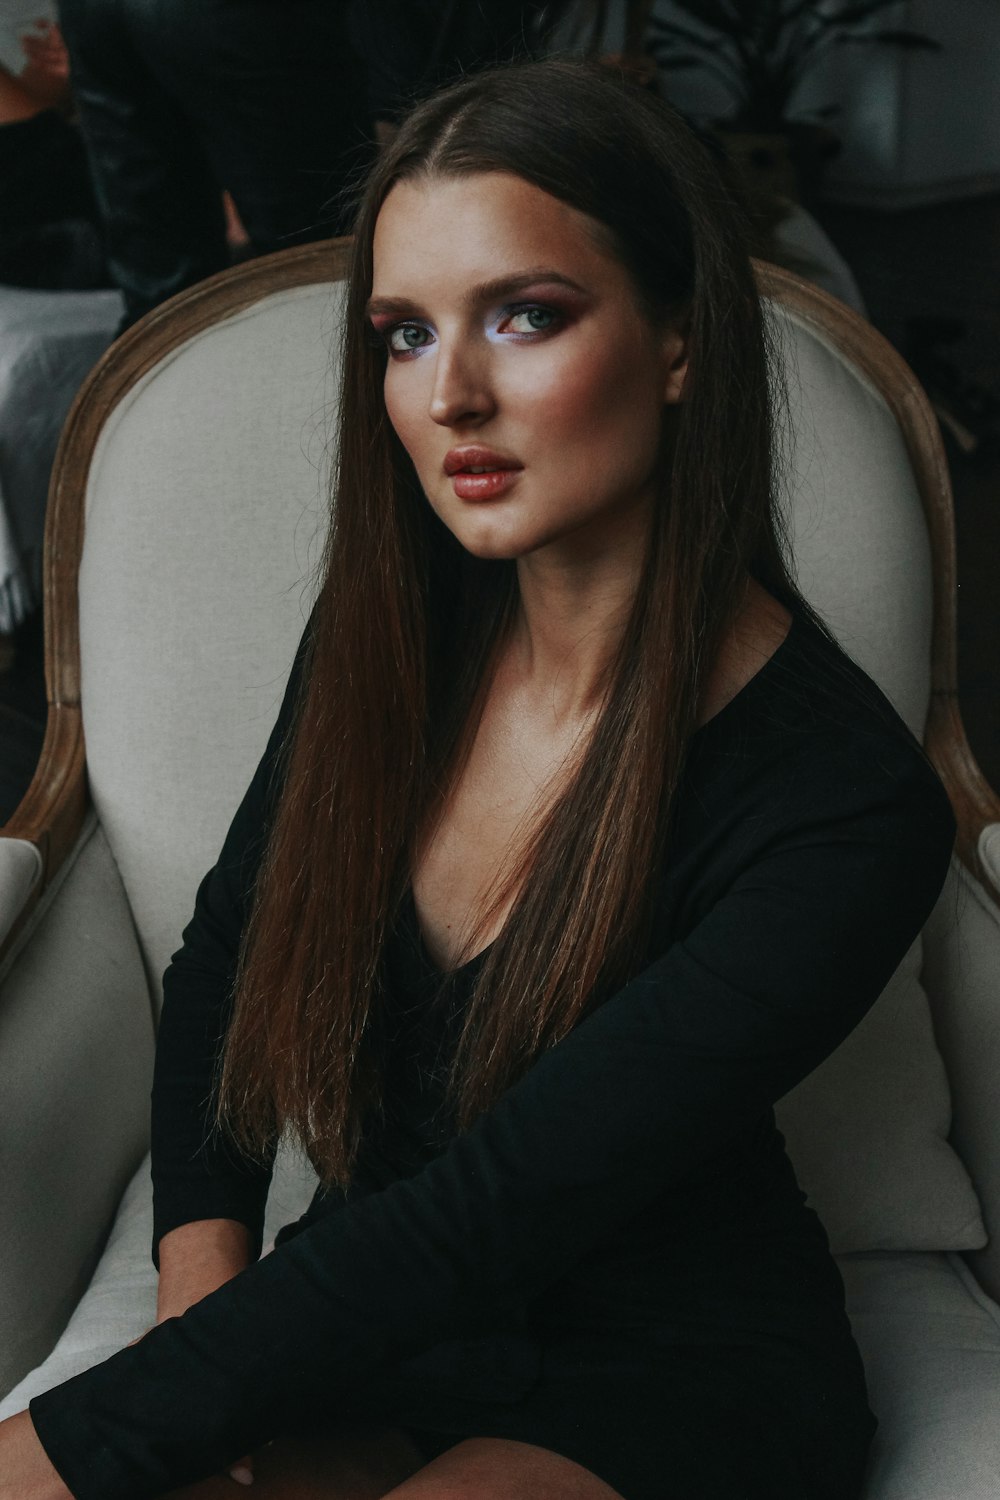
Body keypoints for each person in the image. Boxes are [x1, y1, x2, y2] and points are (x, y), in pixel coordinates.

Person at [0, 58, 955, 1500]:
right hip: (372, 1323)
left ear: (681, 339)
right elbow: (226, 962)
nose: (449, 394)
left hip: (665, 1370)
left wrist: (99, 1433)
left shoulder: (846, 803)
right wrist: (207, 1304)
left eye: (526, 317)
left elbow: (492, 1212)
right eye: (401, 334)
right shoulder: (393, 637)